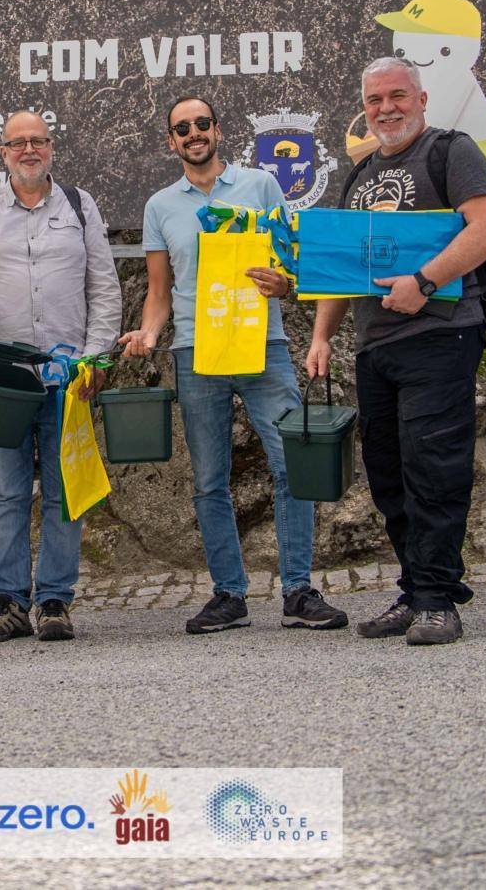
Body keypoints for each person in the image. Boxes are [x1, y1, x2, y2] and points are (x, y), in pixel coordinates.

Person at [119, 96, 348, 635]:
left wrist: (284, 284)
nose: (193, 133)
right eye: (182, 128)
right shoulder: (159, 206)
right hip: (196, 354)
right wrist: (149, 332)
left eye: (202, 124)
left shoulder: (261, 186)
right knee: (208, 481)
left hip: (262, 347)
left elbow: (289, 268)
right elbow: (159, 292)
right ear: (171, 141)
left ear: (218, 130)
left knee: (295, 465)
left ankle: (298, 590)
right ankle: (229, 595)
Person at [305, 58, 486, 647]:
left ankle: (439, 600)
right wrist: (321, 336)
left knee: (434, 470)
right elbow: (343, 269)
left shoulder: (452, 151)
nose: (386, 108)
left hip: (441, 337)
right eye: (375, 100)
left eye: (397, 96)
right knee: (389, 475)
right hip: (375, 348)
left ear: (420, 98)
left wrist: (423, 281)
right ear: (363, 108)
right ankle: (416, 587)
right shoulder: (361, 172)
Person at [0, 111, 122, 644]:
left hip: (68, 377)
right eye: (16, 143)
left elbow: (104, 289)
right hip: (3, 381)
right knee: (5, 494)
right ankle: (10, 602)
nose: (28, 151)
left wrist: (94, 357)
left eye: (37, 141)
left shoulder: (80, 206)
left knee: (67, 492)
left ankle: (55, 601)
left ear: (51, 147)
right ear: (3, 153)